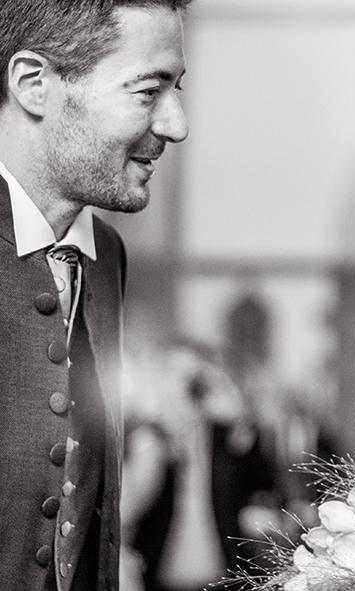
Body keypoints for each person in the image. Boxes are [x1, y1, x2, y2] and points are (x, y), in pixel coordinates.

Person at [0, 1, 190, 589]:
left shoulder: (107, 254)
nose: (176, 124)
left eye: (177, 88)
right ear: (36, 85)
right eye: (148, 91)